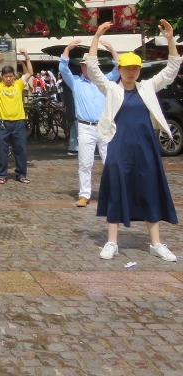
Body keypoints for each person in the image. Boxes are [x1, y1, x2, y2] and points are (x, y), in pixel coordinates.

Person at [88, 20, 181, 262]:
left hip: (146, 147)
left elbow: (172, 68)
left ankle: (156, 244)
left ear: (140, 70)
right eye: (127, 67)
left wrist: (170, 38)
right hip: (120, 146)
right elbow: (92, 66)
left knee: (150, 188)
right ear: (119, 69)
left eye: (135, 68)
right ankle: (112, 242)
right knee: (118, 188)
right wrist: (96, 37)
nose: (131, 71)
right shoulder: (112, 89)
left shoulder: (148, 87)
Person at [59, 40, 119, 207]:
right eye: (85, 65)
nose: (88, 68)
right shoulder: (76, 82)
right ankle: (84, 194)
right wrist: (67, 50)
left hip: (104, 126)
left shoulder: (105, 81)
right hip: (85, 126)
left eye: (90, 65)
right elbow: (63, 69)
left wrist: (112, 49)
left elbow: (118, 68)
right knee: (85, 163)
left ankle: (113, 193)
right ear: (82, 67)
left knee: (110, 161)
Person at [0, 49, 33, 184]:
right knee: (1, 150)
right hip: (3, 123)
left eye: (11, 76)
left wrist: (27, 57)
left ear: (14, 76)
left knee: (21, 149)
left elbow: (30, 73)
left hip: (18, 122)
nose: (9, 78)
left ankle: (21, 174)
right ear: (3, 77)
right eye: (6, 76)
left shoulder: (19, 84)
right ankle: (1, 175)